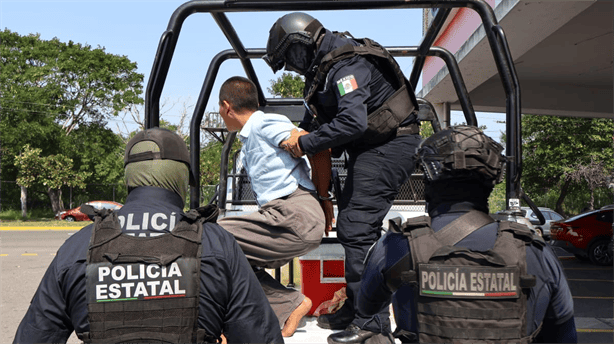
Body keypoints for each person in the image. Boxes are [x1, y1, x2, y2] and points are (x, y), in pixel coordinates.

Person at [14, 127, 283, 344]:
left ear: (129, 180)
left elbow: (34, 335)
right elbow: (259, 336)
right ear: (182, 179)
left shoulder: (78, 247)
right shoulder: (216, 244)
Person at [328, 125, 577, 344]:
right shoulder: (537, 252)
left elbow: (368, 308)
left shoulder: (395, 246)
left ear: (428, 177)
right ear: (491, 182)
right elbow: (563, 335)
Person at [264, 12, 422, 331]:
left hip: (390, 145)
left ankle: (371, 322)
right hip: (369, 149)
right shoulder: (325, 68)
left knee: (356, 226)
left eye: (291, 58)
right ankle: (356, 304)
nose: (293, 67)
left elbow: (352, 122)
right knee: (353, 225)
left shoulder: (346, 66)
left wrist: (306, 142)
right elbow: (318, 120)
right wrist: (298, 135)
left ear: (303, 44)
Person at [216, 76, 333, 337]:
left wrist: (324, 199)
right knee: (225, 255)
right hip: (282, 215)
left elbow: (318, 147)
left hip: (294, 212)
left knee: (210, 235)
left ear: (226, 107)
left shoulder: (264, 122)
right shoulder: (249, 139)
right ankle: (289, 303)